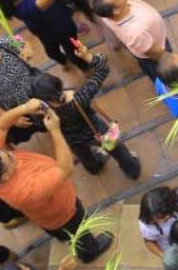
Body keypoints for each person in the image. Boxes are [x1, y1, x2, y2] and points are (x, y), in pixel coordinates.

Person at [0, 101, 113, 262]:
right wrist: (55, 130)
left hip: (46, 217)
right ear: (5, 176)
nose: (12, 154)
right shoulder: (25, 191)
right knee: (79, 231)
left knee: (59, 232)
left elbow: (0, 126)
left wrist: (25, 108)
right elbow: (65, 169)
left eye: (6, 152)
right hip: (64, 214)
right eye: (9, 158)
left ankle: (65, 238)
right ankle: (90, 251)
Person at [30, 52, 143, 180]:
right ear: (58, 83)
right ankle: (132, 170)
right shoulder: (81, 96)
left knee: (84, 156)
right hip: (95, 131)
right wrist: (89, 56)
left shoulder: (41, 112)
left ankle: (94, 167)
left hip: (72, 139)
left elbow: (41, 125)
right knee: (117, 150)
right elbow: (103, 70)